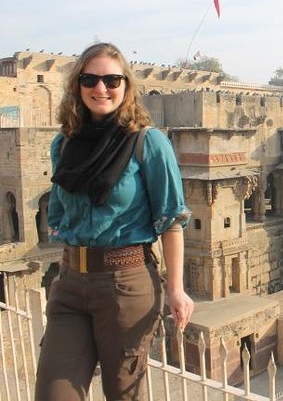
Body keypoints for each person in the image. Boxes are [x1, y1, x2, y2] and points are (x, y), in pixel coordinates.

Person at [36, 42, 194, 400]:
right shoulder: (65, 144)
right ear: (78, 85)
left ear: (126, 86)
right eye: (90, 79)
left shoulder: (147, 142)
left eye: (111, 79)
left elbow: (171, 218)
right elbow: (61, 211)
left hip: (125, 284)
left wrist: (176, 288)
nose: (101, 88)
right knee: (52, 393)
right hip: (71, 284)